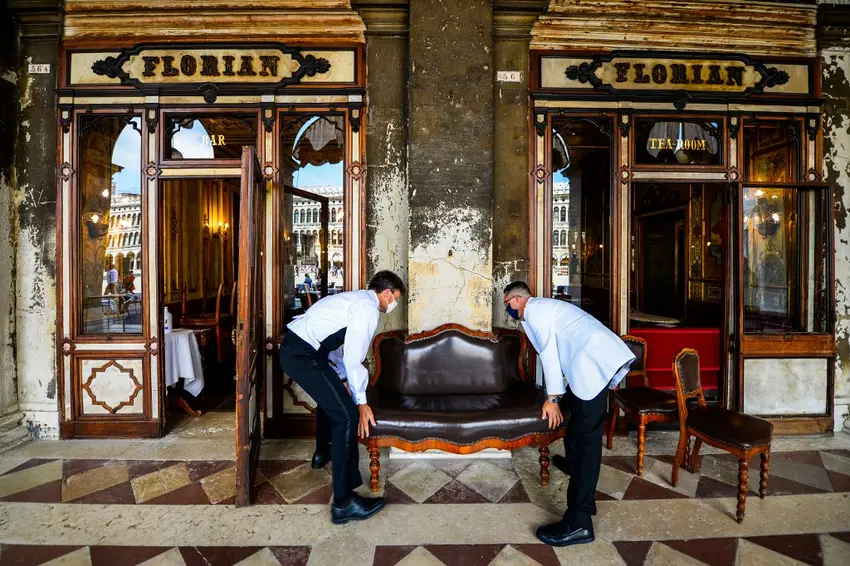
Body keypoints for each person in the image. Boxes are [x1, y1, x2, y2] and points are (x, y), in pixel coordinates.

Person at [503, 281, 635, 548]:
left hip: (592, 364)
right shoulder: (539, 310)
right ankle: (573, 465)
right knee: (576, 422)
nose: (507, 310)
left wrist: (552, 399)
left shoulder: (536, 312)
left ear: (517, 299)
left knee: (588, 441)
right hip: (590, 362)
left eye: (507, 304)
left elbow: (550, 354)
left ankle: (579, 522)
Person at [279, 270, 405, 524]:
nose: (394, 304)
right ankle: (343, 503)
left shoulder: (354, 299)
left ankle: (322, 454)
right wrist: (362, 402)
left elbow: (336, 345)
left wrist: (344, 380)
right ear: (387, 292)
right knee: (347, 415)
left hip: (300, 351)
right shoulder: (367, 308)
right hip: (304, 355)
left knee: (334, 403)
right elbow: (353, 356)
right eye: (396, 299)